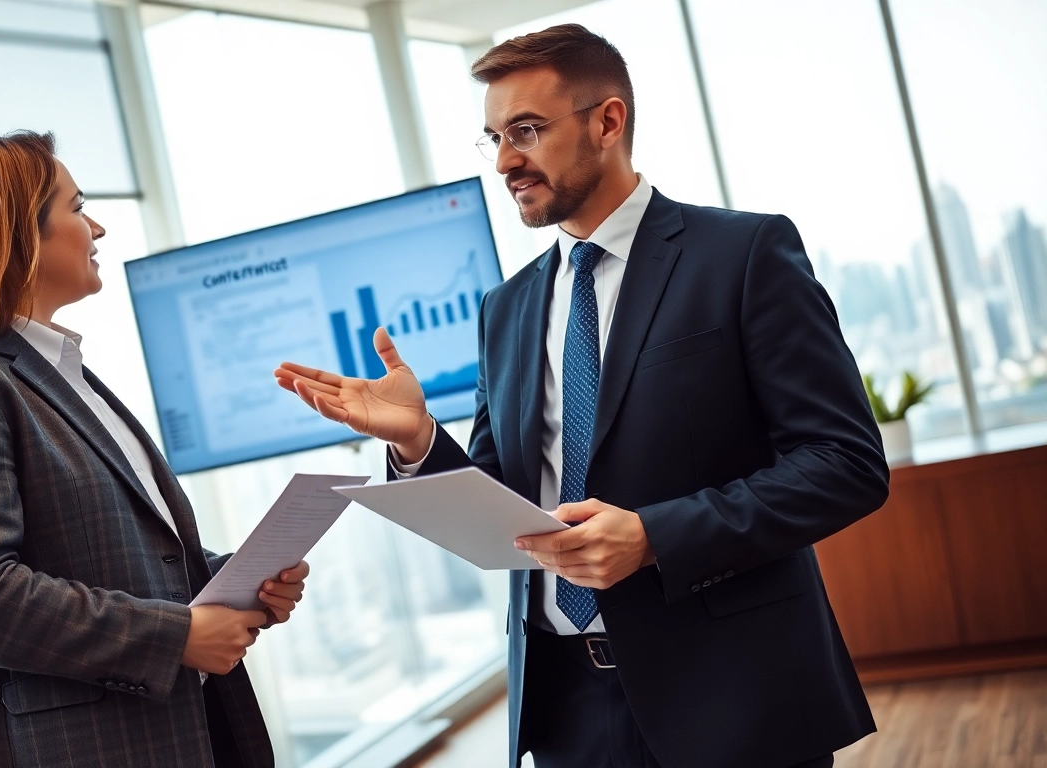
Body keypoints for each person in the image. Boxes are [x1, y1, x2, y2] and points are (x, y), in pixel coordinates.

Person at [276, 24, 888, 768]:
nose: (505, 161)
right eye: (495, 137)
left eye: (527, 130)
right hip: (567, 712)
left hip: (733, 693)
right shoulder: (504, 310)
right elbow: (504, 508)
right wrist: (416, 441)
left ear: (608, 121)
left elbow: (845, 463)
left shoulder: (743, 254)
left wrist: (655, 536)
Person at [0, 131, 302, 768]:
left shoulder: (60, 372)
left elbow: (110, 556)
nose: (96, 226)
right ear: (15, 235)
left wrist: (230, 580)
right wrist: (177, 634)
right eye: (76, 208)